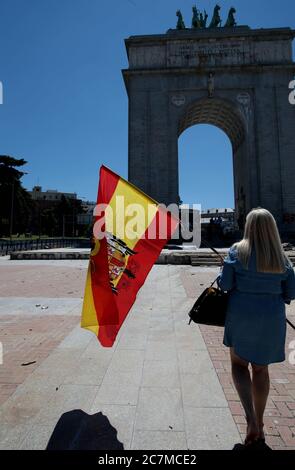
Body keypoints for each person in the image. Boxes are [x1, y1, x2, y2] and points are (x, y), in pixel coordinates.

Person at [217, 208, 295, 446]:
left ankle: (250, 418)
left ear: (248, 226)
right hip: (270, 320)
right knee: (261, 370)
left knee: (239, 365)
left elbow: (226, 285)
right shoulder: (281, 258)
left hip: (241, 317)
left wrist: (223, 273)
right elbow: (290, 293)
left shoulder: (236, 252)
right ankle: (259, 422)